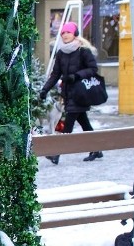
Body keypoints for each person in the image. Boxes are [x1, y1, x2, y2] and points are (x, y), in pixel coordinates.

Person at [39, 21, 103, 164]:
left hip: (81, 94)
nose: (65, 35)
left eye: (68, 32)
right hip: (68, 94)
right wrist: (45, 89)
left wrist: (76, 76)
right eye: (63, 33)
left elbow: (93, 69)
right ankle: (97, 149)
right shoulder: (61, 53)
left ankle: (56, 154)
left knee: (67, 125)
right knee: (85, 124)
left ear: (75, 34)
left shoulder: (83, 51)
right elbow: (55, 74)